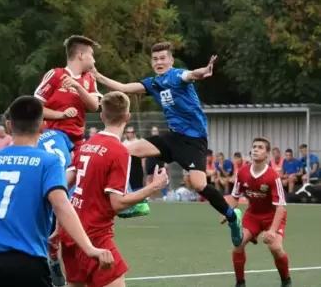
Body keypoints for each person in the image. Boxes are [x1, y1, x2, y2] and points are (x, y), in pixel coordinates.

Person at [92, 41, 243, 246]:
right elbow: (124, 88)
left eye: (163, 58)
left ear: (171, 60)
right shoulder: (154, 83)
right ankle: (139, 202)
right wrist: (97, 75)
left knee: (199, 185)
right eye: (155, 59)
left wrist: (203, 71)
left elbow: (190, 75)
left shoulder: (176, 75)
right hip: (172, 137)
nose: (159, 62)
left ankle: (233, 217)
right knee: (130, 150)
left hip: (193, 140)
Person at [0, 96, 113, 287]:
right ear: (42, 126)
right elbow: (61, 204)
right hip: (27, 263)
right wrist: (89, 248)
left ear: (9, 126)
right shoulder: (48, 162)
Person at [59, 91, 169, 287]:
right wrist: (153, 187)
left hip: (71, 231)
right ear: (127, 117)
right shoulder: (119, 151)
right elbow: (117, 203)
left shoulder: (86, 144)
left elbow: (63, 185)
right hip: (94, 234)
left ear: (102, 116)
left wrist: (58, 225)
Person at [3, 106, 75, 286]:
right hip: (69, 190)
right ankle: (62, 264)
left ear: (11, 126)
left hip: (47, 196)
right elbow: (73, 160)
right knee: (67, 236)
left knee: (40, 235)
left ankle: (49, 260)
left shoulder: (24, 148)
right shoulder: (59, 135)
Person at [223, 137, 291, 287]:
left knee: (275, 247)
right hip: (253, 215)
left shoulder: (273, 176)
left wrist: (272, 231)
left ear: (267, 154)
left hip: (273, 216)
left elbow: (281, 207)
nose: (255, 149)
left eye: (260, 147)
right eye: (254, 146)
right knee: (238, 244)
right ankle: (240, 283)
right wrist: (227, 212)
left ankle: (286, 280)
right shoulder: (242, 173)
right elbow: (235, 196)